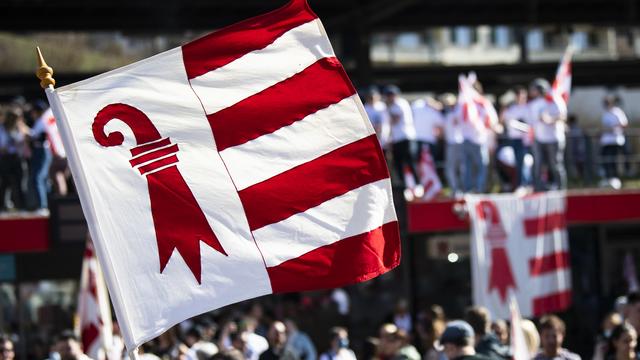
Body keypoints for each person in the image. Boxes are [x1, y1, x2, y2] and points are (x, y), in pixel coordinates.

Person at [382, 85, 422, 200]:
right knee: (399, 165)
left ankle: (418, 185)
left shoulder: (401, 104)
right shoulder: (390, 107)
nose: (390, 98)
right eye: (388, 95)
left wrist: (387, 110)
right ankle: (407, 189)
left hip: (406, 137)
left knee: (410, 162)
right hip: (396, 140)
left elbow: (395, 119)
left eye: (391, 95)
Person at [528, 79, 567, 191]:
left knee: (555, 165)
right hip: (539, 138)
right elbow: (533, 120)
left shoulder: (554, 99)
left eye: (534, 89)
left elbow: (563, 116)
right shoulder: (534, 104)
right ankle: (538, 188)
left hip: (554, 138)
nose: (532, 92)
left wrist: (550, 119)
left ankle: (560, 188)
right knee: (538, 165)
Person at [460, 80, 492, 193]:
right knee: (475, 166)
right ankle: (474, 189)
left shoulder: (480, 103)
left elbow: (490, 120)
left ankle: (475, 189)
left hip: (477, 138)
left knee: (477, 166)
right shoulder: (465, 102)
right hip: (474, 138)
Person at [500, 86, 531, 189]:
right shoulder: (511, 108)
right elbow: (503, 121)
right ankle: (521, 184)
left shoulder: (528, 108)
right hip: (515, 139)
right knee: (519, 163)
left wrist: (520, 126)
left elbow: (529, 125)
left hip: (526, 140)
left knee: (526, 163)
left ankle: (526, 184)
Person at [25, 101, 53, 211]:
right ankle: (45, 205)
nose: (32, 113)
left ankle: (43, 206)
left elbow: (43, 137)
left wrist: (29, 135)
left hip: (43, 151)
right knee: (43, 178)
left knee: (39, 177)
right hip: (39, 151)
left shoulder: (44, 121)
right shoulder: (39, 121)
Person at [0, 109, 27, 211]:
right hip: (5, 158)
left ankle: (21, 205)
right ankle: (4, 205)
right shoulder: (2, 128)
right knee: (5, 183)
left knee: (20, 182)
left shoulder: (20, 127)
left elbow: (27, 138)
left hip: (17, 158)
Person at [600, 94, 628, 187]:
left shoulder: (617, 112)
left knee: (613, 161)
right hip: (606, 141)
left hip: (615, 141)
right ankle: (608, 178)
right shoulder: (605, 113)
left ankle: (616, 180)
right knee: (605, 161)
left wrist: (612, 128)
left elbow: (624, 124)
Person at [441, 94, 465, 198]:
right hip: (450, 143)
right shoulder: (447, 114)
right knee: (451, 169)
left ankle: (460, 190)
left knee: (459, 168)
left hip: (457, 143)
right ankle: (455, 189)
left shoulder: (458, 111)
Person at [412, 96, 444, 164]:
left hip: (426, 140)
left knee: (425, 163)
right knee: (423, 162)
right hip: (420, 139)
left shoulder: (417, 105)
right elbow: (441, 127)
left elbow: (440, 127)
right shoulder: (418, 106)